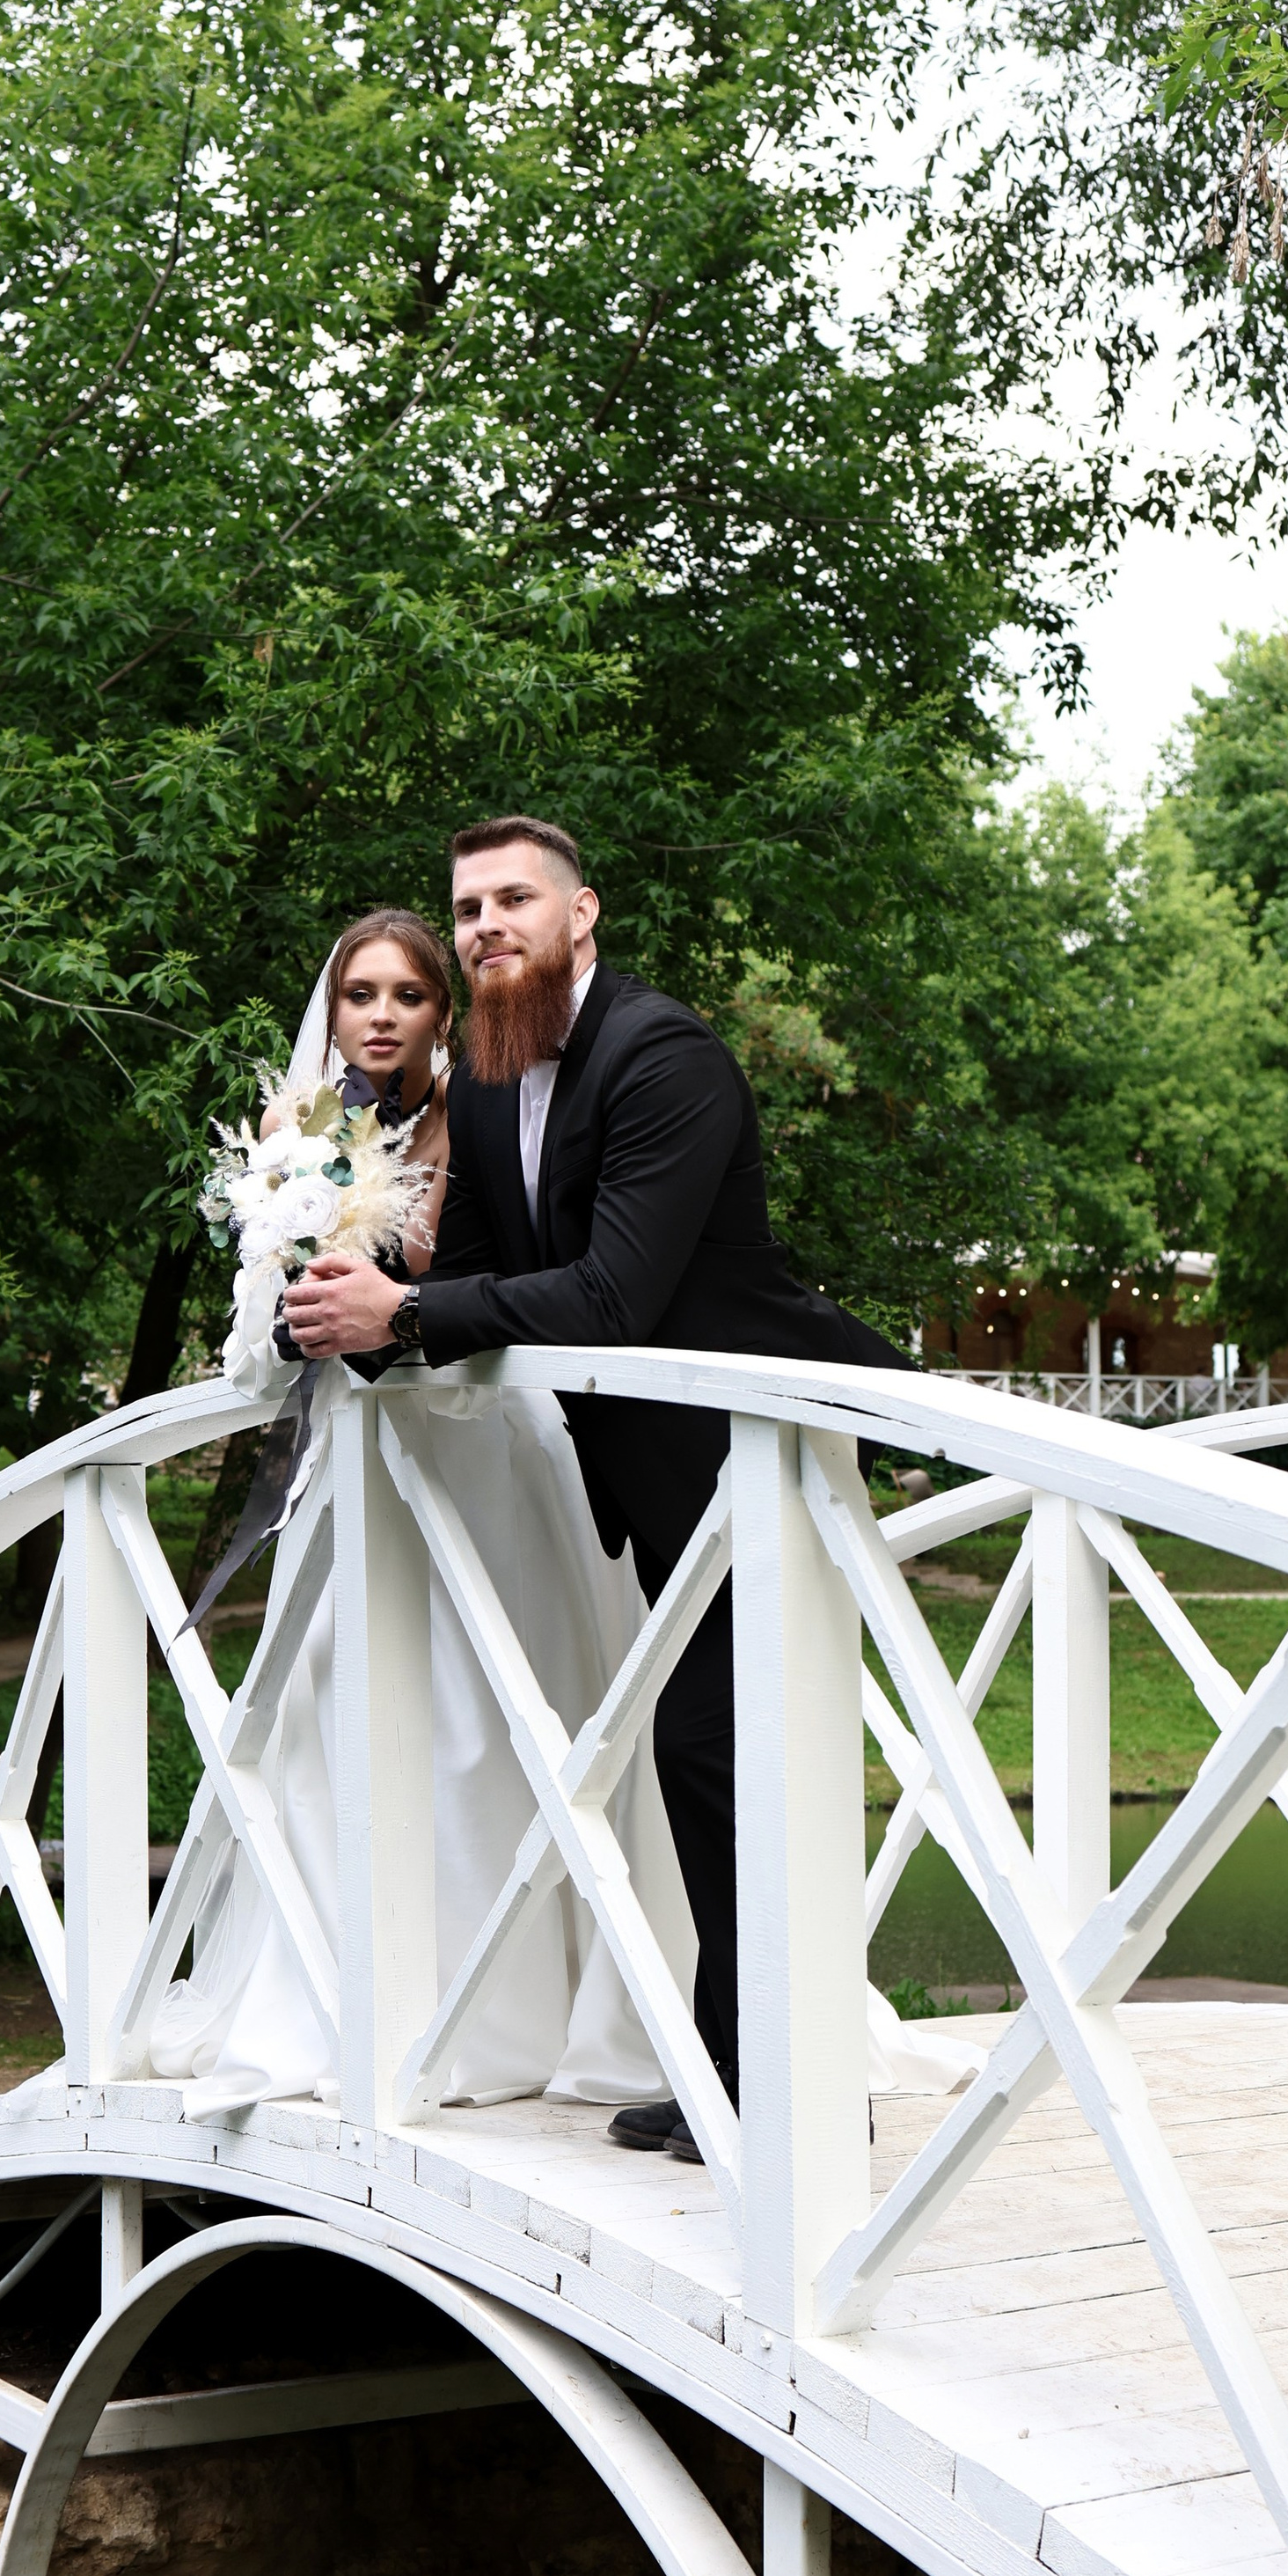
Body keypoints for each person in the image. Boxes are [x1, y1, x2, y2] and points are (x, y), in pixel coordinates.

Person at [284, 818, 962, 2161]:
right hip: (654, 1472)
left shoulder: (667, 1059)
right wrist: (340, 1283)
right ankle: (735, 2067)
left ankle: (785, 2087)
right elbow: (471, 1285)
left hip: (760, 1453)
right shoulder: (479, 1085)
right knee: (701, 1758)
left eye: (514, 901)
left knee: (729, 1754)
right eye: (467, 906)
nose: (484, 927)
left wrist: (406, 1308)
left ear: (581, 914)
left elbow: (615, 1295)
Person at [150, 910, 695, 2117]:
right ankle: (358, 2001)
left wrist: (403, 1310)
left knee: (500, 1725)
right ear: (334, 1010)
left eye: (408, 992)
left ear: (444, 1016)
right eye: (361, 993)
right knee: (337, 1712)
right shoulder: (297, 1142)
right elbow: (263, 1342)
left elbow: (529, 1279)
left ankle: (516, 2012)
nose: (382, 1013)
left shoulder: (487, 1122)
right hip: (358, 1470)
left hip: (481, 1460)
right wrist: (289, 1286)